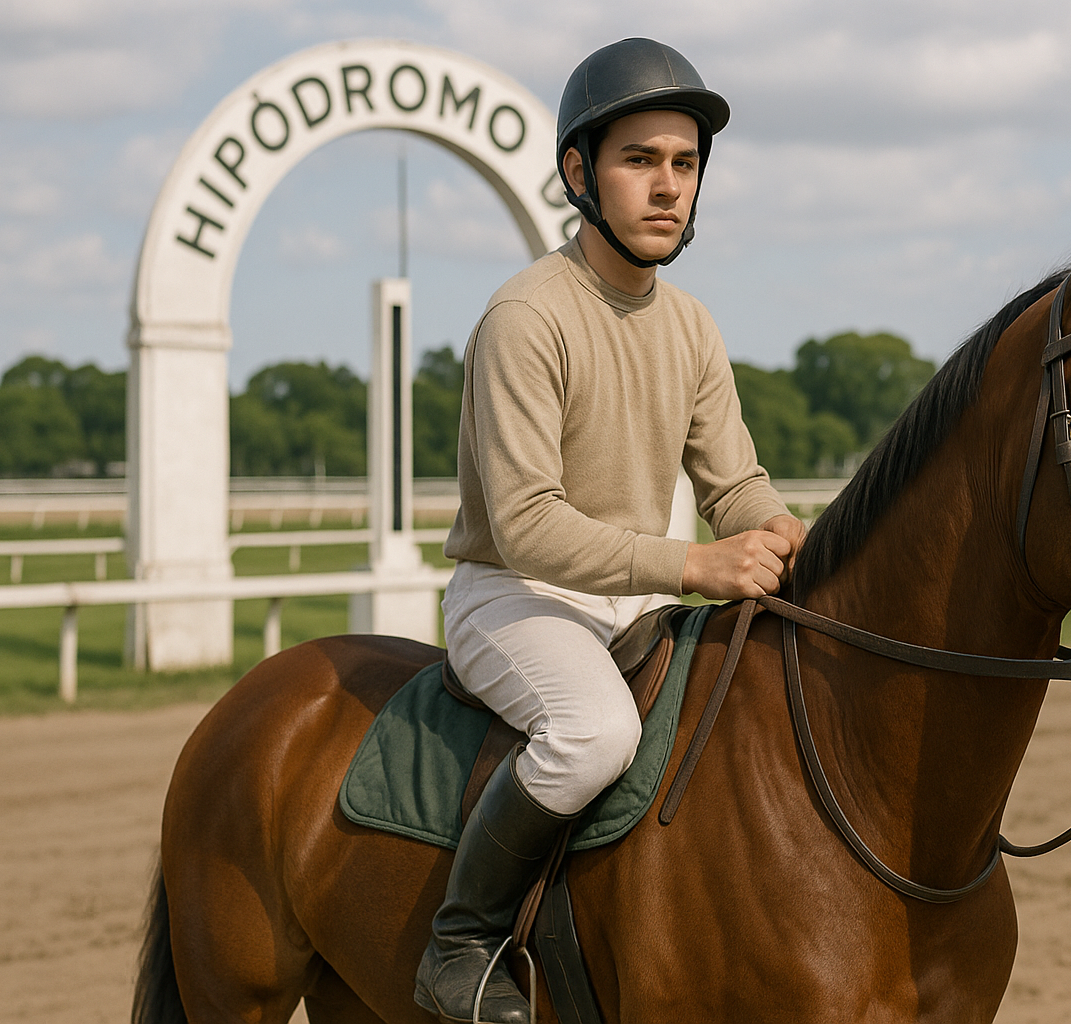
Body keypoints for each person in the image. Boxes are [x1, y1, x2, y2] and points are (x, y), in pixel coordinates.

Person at [414, 37, 806, 1024]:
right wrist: (692, 563)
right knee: (596, 734)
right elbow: (529, 524)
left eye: (684, 164)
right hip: (514, 595)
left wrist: (788, 535)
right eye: (641, 161)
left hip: (630, 600)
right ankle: (461, 943)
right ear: (581, 173)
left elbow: (737, 484)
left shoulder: (692, 326)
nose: (668, 187)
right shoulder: (525, 317)